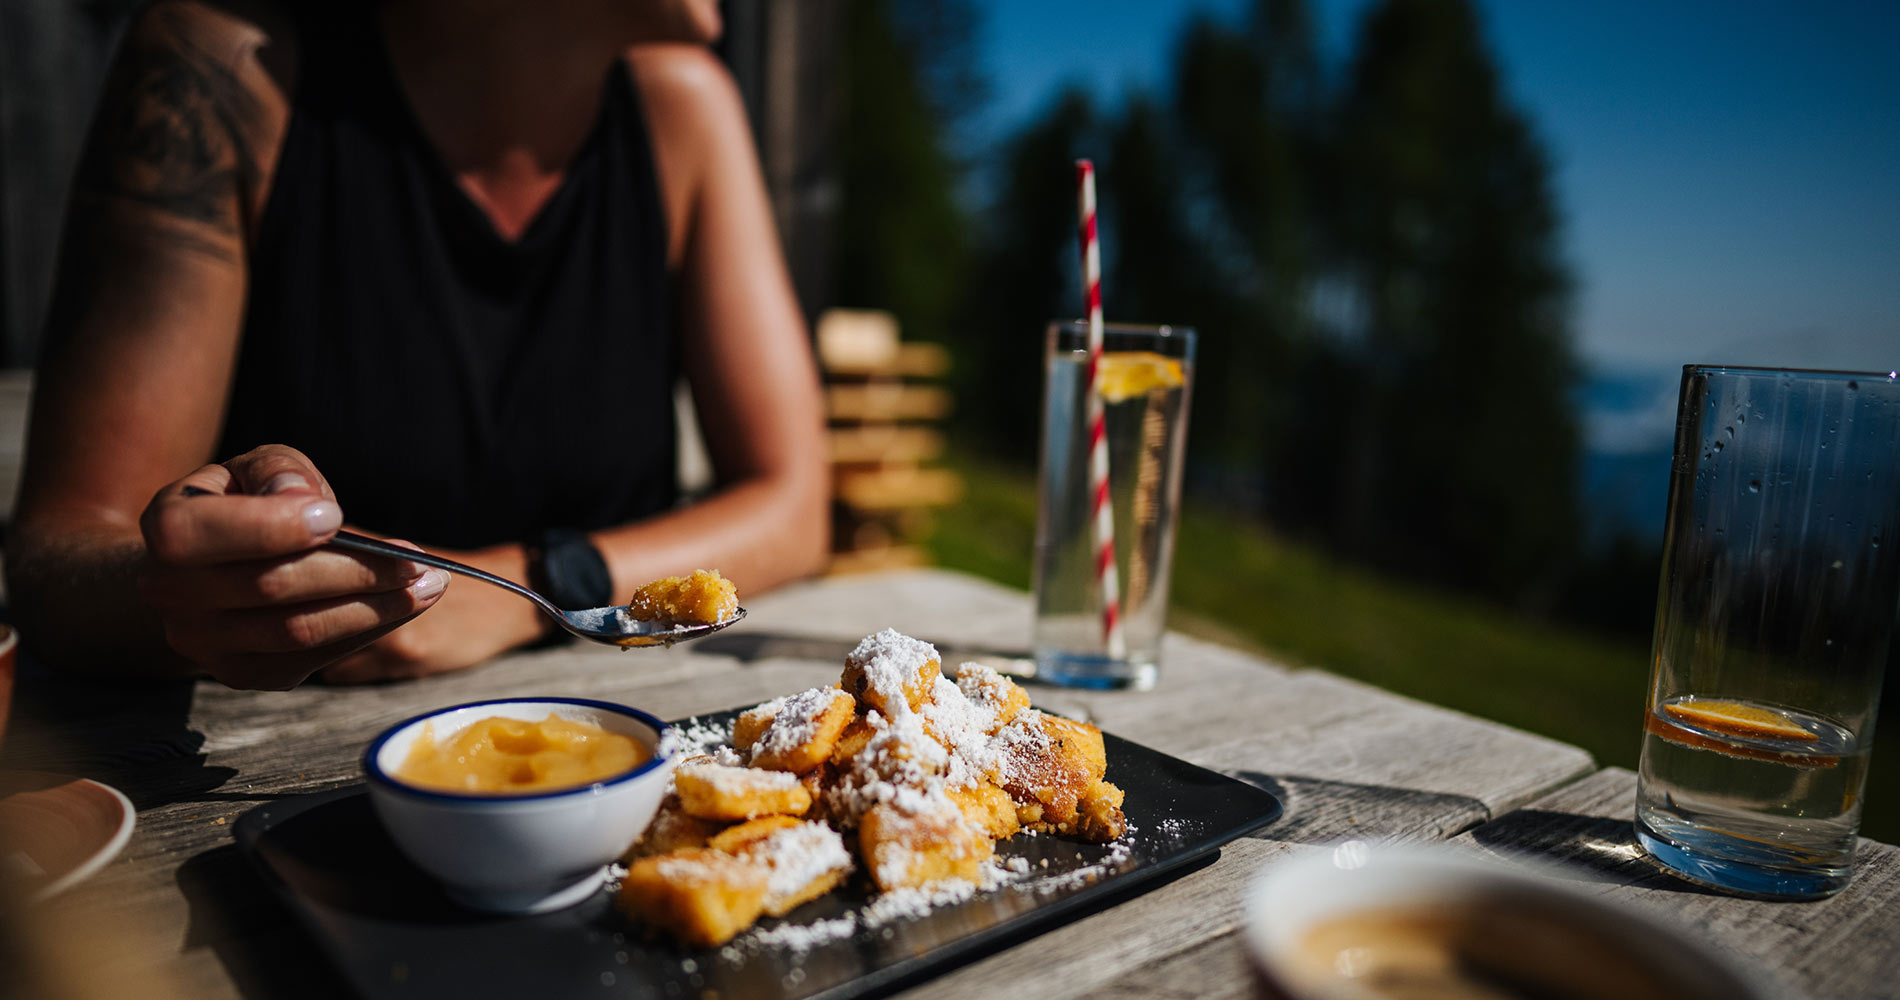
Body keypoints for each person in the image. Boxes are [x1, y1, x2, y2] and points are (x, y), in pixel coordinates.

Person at [4, 0, 830, 691]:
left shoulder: (684, 108)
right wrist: (189, 592)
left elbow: (793, 506)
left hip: (617, 722)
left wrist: (518, 591)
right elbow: (59, 558)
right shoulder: (223, 77)